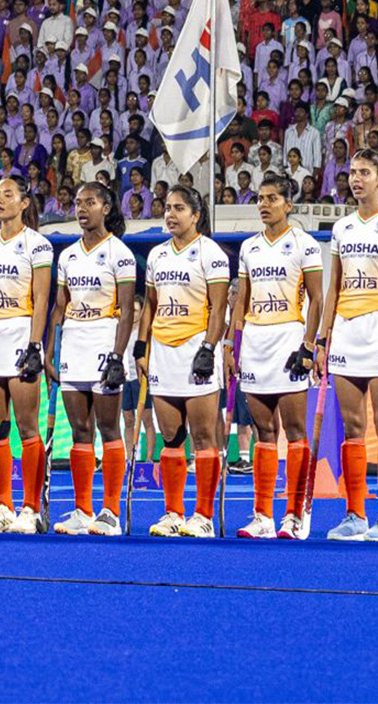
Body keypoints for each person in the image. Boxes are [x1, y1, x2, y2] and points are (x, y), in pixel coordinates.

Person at [319, 150, 378, 541]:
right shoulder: (341, 228)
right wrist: (322, 338)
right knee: (354, 427)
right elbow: (334, 285)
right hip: (346, 331)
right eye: (352, 172)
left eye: (365, 173)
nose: (356, 179)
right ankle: (355, 514)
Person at [231, 173, 324, 539]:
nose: (264, 205)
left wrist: (309, 344)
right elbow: (241, 301)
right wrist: (232, 347)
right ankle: (262, 515)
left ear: (289, 204)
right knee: (263, 431)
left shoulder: (305, 244)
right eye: (260, 198)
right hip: (255, 342)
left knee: (295, 431)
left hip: (288, 338)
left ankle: (294, 514)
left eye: (272, 198)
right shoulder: (249, 247)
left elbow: (317, 297)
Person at [138, 186, 231, 538]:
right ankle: (173, 513)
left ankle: (203, 515)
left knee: (205, 437)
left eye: (178, 208)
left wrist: (209, 347)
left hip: (197, 351)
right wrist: (140, 348)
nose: (170, 214)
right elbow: (150, 305)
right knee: (171, 437)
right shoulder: (158, 255)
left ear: (196, 215)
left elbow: (219, 307)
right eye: (166, 208)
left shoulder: (212, 253)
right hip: (163, 351)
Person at [48, 182, 137, 536]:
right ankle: (82, 509)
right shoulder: (67, 256)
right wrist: (50, 351)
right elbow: (59, 308)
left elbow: (128, 309)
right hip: (73, 345)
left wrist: (118, 354)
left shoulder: (120, 254)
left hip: (104, 342)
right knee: (79, 430)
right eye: (78, 203)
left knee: (108, 428)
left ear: (107, 207)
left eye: (90, 202)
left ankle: (111, 511)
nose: (82, 208)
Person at [0, 175, 53, 534]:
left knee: (27, 426)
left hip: (21, 333)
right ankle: (1, 505)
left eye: (8, 195)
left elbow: (42, 299)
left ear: (24, 203)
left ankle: (31, 508)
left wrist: (35, 344)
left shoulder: (38, 245)